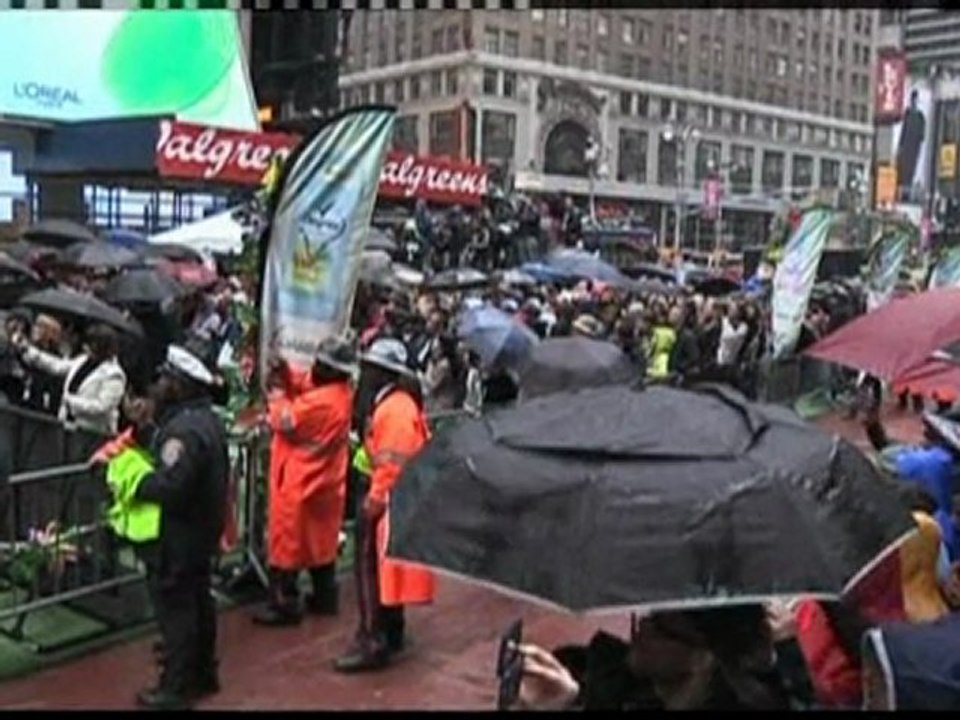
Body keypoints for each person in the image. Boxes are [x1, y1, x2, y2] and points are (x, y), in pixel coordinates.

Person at [124, 344, 229, 710]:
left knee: (178, 609)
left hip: (181, 533)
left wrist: (134, 482)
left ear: (181, 385)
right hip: (202, 530)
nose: (158, 386)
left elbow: (172, 486)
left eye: (166, 380)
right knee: (199, 601)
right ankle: (202, 673)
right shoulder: (204, 420)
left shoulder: (183, 431)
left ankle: (177, 685)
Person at [335, 338, 435, 673]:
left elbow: (392, 463)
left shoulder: (394, 410)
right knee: (383, 571)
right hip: (395, 499)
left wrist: (374, 501)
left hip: (387, 501)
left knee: (369, 571)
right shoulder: (396, 404)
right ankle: (389, 630)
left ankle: (372, 639)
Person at [510, 604, 812, 711]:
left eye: (662, 628)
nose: (644, 627)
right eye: (650, 616)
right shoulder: (603, 676)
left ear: (704, 658)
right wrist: (567, 703)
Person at [253, 336, 356, 627]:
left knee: (287, 544)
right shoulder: (340, 393)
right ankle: (324, 597)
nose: (315, 367)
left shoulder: (324, 403)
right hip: (325, 481)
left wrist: (276, 393)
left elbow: (283, 419)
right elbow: (306, 384)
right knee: (320, 543)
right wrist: (286, 373)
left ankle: (284, 605)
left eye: (321, 364)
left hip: (299, 481)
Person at [16, 323, 127, 436]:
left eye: (91, 344)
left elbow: (103, 406)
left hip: (92, 433)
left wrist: (71, 401)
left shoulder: (114, 375)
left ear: (101, 346)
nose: (85, 347)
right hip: (66, 423)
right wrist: (28, 350)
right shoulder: (83, 360)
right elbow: (57, 366)